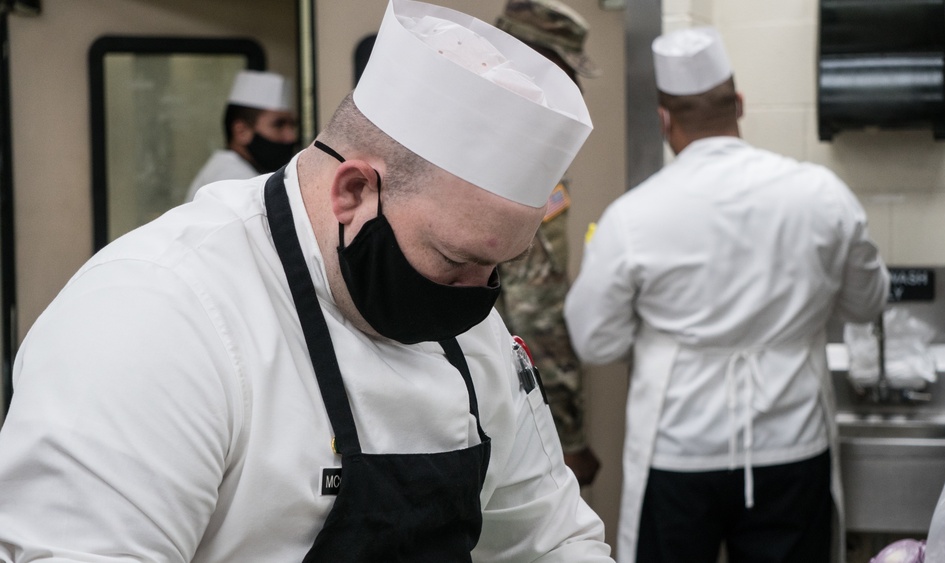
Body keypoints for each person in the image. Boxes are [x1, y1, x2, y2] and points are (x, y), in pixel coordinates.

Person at [0, 1, 613, 561]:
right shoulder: (154, 317)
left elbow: (550, 538)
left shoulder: (471, 329)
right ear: (353, 191)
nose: (477, 299)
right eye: (453, 262)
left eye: (496, 268)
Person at [564, 26, 889, 563]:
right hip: (793, 441)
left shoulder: (634, 216)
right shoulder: (821, 195)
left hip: (678, 447)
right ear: (738, 103)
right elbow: (866, 304)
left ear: (665, 119)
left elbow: (595, 340)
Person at [493, 0, 601, 487]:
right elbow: (537, 310)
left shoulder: (464, 128)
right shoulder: (524, 157)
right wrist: (568, 438)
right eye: (566, 74)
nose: (575, 92)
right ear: (538, 64)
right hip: (500, 407)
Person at [184, 69, 298, 202]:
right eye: (279, 125)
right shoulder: (232, 179)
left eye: (292, 125)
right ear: (241, 132)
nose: (291, 136)